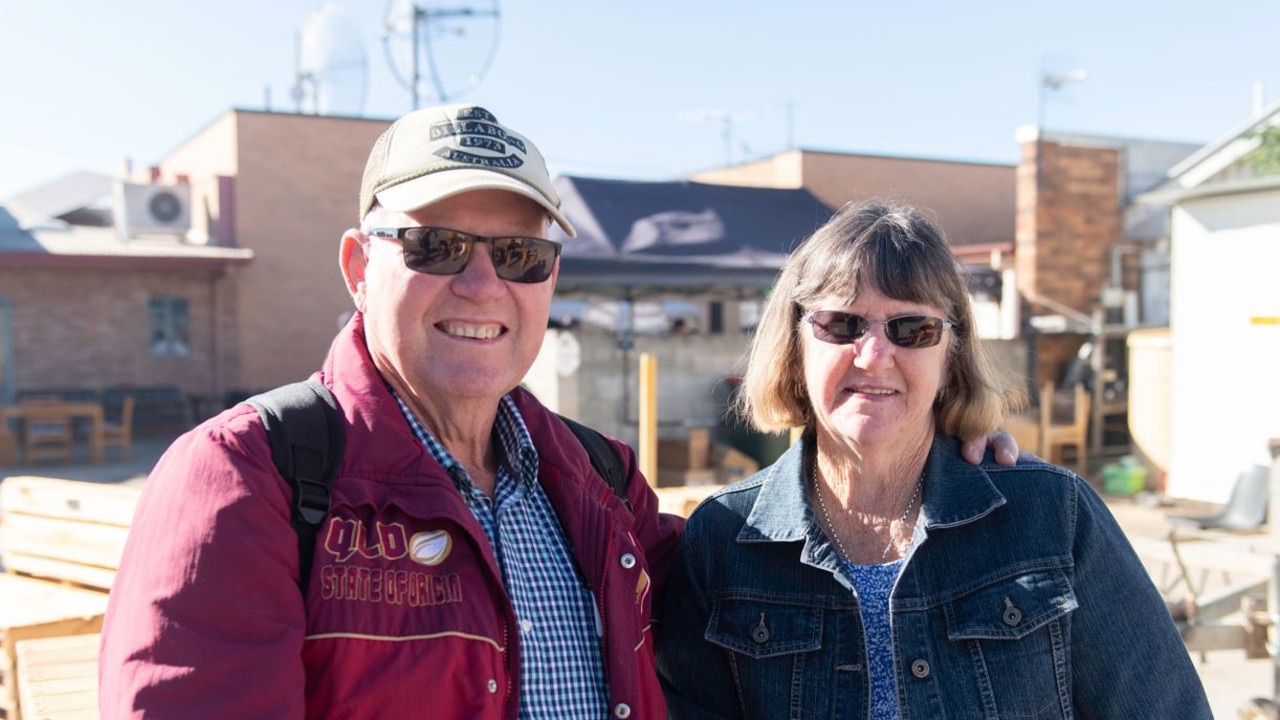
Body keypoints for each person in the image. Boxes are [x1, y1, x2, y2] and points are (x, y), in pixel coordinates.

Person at [98, 105, 1019, 719]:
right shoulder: (249, 478)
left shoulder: (599, 480)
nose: (481, 283)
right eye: (437, 243)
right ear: (357, 265)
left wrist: (922, 450)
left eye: (520, 255)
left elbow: (769, 577)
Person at [656, 201, 1210, 719]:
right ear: (795, 345)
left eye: (912, 329)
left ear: (951, 356)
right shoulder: (724, 542)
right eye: (842, 324)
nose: (874, 356)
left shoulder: (1051, 516)